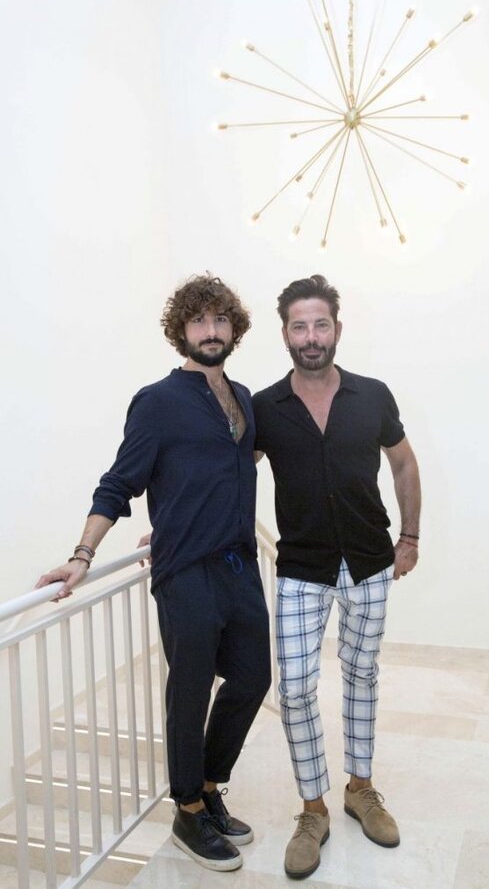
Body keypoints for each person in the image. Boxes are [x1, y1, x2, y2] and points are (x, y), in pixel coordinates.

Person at [36, 274, 271, 873]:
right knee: (190, 689)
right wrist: (83, 555)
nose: (211, 331)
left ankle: (210, 788)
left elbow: (234, 459)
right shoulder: (158, 401)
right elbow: (120, 482)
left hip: (238, 563)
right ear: (180, 331)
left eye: (220, 319)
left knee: (253, 678)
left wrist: (185, 511)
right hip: (186, 572)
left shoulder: (243, 398)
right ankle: (187, 809)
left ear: (235, 328)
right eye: (199, 321)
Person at [252, 274, 421, 880]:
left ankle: (361, 788)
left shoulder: (372, 395)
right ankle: (312, 810)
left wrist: (409, 538)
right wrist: (174, 525)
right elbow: (231, 475)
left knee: (361, 674)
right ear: (285, 335)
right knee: (295, 688)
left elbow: (403, 464)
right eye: (299, 326)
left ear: (337, 330)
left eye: (320, 324)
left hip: (370, 563)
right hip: (302, 567)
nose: (311, 336)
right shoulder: (265, 407)